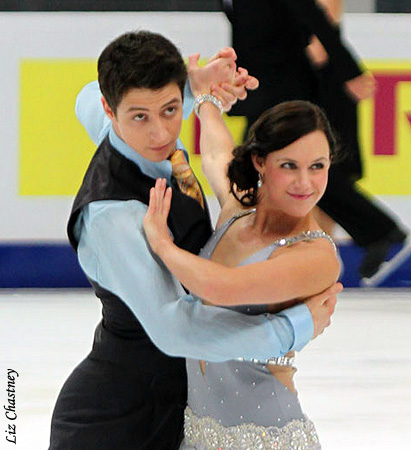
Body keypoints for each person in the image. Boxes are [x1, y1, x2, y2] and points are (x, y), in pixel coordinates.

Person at [48, 31, 340, 450]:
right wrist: (292, 330)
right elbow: (173, 327)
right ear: (109, 112)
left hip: (185, 412)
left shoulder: (139, 139)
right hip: (117, 419)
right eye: (139, 117)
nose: (161, 133)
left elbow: (85, 96)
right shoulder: (115, 218)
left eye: (170, 109)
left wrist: (196, 85)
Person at [143, 98, 341, 449]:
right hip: (200, 434)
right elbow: (218, 154)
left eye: (317, 166)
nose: (305, 182)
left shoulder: (315, 255)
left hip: (269, 438)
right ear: (260, 161)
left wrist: (162, 244)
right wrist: (207, 101)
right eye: (289, 165)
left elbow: (222, 288)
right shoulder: (235, 213)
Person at [222, 0, 409, 284]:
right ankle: (375, 231)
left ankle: (377, 231)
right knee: (263, 168)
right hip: (264, 86)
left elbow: (315, 16)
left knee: (276, 166)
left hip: (287, 86)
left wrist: (348, 70)